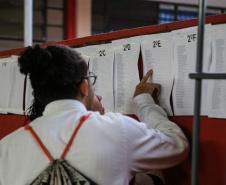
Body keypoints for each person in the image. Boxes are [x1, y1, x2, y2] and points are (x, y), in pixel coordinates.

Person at [0, 44, 189, 185]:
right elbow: (177, 146)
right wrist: (143, 103)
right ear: (84, 86)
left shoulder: (6, 147)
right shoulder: (116, 129)